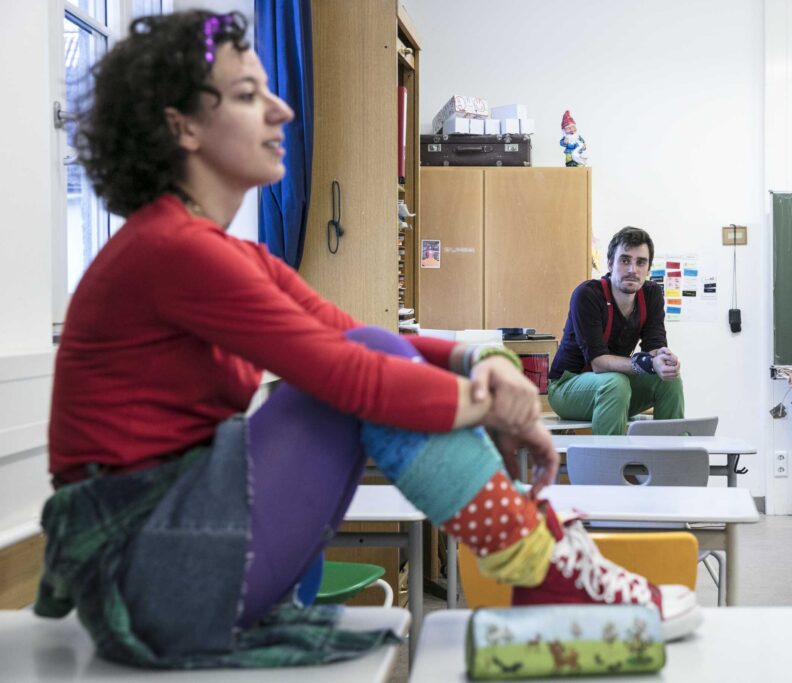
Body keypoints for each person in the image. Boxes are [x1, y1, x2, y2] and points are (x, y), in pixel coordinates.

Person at [37, 11, 700, 670]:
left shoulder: (211, 249)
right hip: (154, 575)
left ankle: (540, 564)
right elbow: (352, 370)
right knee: (360, 374)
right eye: (248, 95)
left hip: (171, 552)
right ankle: (540, 563)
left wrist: (479, 362)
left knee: (375, 354)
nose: (283, 112)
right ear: (181, 125)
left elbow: (355, 332)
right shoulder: (173, 250)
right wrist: (490, 401)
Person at [548, 227, 684, 435]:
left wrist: (664, 359)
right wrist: (647, 363)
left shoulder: (651, 294)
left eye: (641, 262)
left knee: (668, 380)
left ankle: (669, 461)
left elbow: (654, 347)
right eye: (625, 260)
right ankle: (611, 466)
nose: (633, 269)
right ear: (610, 264)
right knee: (615, 382)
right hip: (567, 387)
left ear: (648, 269)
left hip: (615, 387)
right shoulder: (587, 295)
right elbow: (599, 362)